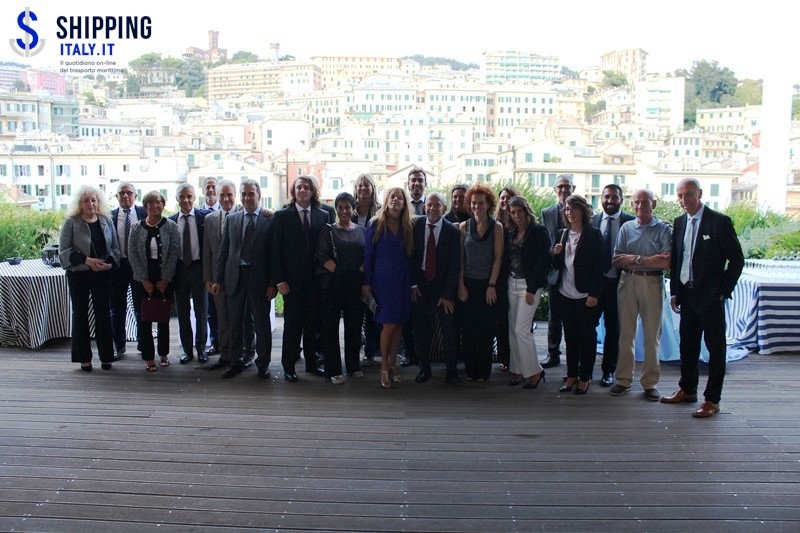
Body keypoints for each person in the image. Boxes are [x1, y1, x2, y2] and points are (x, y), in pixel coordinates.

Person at [662, 178, 744, 418]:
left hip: (710, 297)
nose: (683, 200)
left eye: (688, 194)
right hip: (686, 295)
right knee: (687, 346)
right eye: (679, 195)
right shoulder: (679, 222)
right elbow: (678, 260)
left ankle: (712, 400)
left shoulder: (719, 222)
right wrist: (675, 291)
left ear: (699, 193)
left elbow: (737, 260)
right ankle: (687, 389)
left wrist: (722, 290)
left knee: (715, 348)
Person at [609, 190, 672, 401]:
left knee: (651, 336)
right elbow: (617, 259)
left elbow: (666, 262)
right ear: (631, 204)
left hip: (652, 282)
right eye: (636, 202)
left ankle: (650, 383)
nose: (640, 206)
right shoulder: (626, 228)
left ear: (654, 204)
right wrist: (651, 259)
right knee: (625, 334)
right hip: (627, 281)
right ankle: (623, 380)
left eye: (645, 202)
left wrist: (634, 259)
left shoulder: (663, 229)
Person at [211, 179, 276, 379]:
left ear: (259, 195)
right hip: (234, 278)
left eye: (251, 194)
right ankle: (236, 362)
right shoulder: (232, 219)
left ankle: (263, 363)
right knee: (235, 323)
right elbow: (223, 252)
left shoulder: (270, 220)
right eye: (244, 194)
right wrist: (217, 279)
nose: (247, 197)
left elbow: (275, 255)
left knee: (262, 324)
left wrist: (273, 283)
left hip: (260, 280)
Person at [271, 175, 327, 382]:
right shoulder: (282, 216)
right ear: (293, 192)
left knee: (312, 325)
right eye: (299, 187)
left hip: (315, 281)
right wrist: (279, 280)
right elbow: (275, 250)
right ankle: (288, 367)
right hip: (291, 282)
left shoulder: (323, 215)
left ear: (313, 191)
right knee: (292, 326)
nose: (302, 190)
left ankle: (312, 364)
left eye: (306, 187)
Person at [59, 185, 121, 372]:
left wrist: (109, 264)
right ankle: (84, 358)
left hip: (102, 275)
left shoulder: (106, 221)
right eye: (86, 200)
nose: (90, 204)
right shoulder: (71, 223)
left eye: (93, 200)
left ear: (98, 202)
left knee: (103, 315)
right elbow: (64, 252)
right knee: (80, 315)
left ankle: (107, 356)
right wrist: (87, 261)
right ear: (80, 204)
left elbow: (115, 249)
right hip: (79, 275)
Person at [551, 194, 603, 395]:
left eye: (573, 208)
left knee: (587, 337)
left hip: (585, 295)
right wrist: (555, 254)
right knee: (570, 336)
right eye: (566, 209)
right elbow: (556, 266)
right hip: (565, 293)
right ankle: (571, 374)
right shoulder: (562, 234)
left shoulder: (594, 235)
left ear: (582, 210)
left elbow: (599, 266)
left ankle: (585, 376)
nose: (569, 212)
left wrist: (594, 293)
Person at [363, 187, 414, 389]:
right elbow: (368, 256)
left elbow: (410, 257)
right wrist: (366, 282)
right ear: (387, 200)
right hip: (382, 282)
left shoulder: (407, 226)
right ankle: (384, 366)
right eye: (393, 197)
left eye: (400, 198)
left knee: (399, 324)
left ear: (404, 203)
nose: (395, 200)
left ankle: (393, 365)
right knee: (389, 324)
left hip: (402, 281)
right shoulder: (376, 224)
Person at [410, 192, 461, 385]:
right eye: (429, 205)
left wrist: (447, 294)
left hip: (442, 286)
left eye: (437, 205)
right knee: (421, 327)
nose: (432, 208)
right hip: (420, 284)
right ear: (425, 207)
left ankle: (452, 371)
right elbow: (410, 256)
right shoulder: (415, 226)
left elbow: (455, 265)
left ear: (444, 208)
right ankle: (424, 368)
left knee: (448, 329)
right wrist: (413, 284)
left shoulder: (452, 231)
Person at [316, 192, 366, 384]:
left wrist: (359, 271)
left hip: (355, 285)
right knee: (330, 328)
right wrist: (340, 271)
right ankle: (333, 370)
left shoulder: (362, 231)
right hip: (333, 284)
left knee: (354, 326)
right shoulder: (328, 230)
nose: (344, 211)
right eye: (340, 207)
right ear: (336, 209)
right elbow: (321, 255)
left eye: (348, 207)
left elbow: (367, 255)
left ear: (353, 209)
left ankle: (353, 366)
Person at [128, 190, 180, 372]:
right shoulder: (136, 228)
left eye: (158, 202)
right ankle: (148, 357)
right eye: (151, 202)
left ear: (163, 205)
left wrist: (165, 279)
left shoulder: (171, 226)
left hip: (165, 280)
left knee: (163, 318)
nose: (155, 206)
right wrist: (143, 279)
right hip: (142, 281)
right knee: (144, 320)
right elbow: (132, 254)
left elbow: (174, 253)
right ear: (145, 206)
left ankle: (164, 354)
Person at [458, 184, 504, 383]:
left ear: (489, 204)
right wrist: (460, 284)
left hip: (488, 285)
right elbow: (460, 259)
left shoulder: (497, 227)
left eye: (481, 203)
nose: (477, 206)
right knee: (468, 329)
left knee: (485, 329)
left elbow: (498, 258)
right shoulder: (463, 227)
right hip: (467, 284)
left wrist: (491, 285)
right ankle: (471, 370)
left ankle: (483, 372)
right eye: (474, 203)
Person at [505, 196, 550, 389]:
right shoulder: (511, 232)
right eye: (513, 212)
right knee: (512, 329)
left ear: (526, 211)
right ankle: (517, 369)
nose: (517, 216)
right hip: (511, 283)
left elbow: (543, 261)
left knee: (521, 329)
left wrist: (532, 288)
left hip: (529, 285)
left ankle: (534, 371)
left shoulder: (539, 231)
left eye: (519, 211)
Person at [592, 184, 635, 386]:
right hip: (595, 285)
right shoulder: (592, 221)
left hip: (620, 284)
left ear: (621, 200)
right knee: (588, 326)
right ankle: (585, 368)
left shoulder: (631, 222)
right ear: (601, 198)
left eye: (614, 197)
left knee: (613, 329)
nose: (610, 201)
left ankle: (608, 370)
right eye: (606, 197)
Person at [169, 183, 210, 365]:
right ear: (177, 199)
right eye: (182, 197)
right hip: (179, 270)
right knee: (183, 312)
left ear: (194, 197)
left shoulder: (204, 218)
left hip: (199, 268)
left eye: (189, 196)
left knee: (202, 311)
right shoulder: (170, 221)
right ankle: (187, 350)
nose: (186, 200)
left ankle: (201, 349)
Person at [540, 174, 576, 368]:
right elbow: (542, 242)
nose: (563, 190)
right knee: (554, 316)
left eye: (567, 186)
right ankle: (553, 353)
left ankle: (575, 356)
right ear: (555, 190)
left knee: (574, 318)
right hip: (555, 271)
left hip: (576, 272)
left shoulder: (583, 211)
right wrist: (551, 252)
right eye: (560, 186)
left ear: (573, 188)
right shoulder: (546, 213)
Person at [109, 181, 146, 361]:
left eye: (129, 193)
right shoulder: (109, 216)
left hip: (138, 266)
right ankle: (119, 345)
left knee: (141, 307)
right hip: (118, 267)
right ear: (116, 197)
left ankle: (143, 342)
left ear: (135, 196)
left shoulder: (144, 213)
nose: (125, 196)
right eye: (121, 193)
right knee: (117, 308)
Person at [352, 172, 382, 367]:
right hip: (354, 271)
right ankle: (354, 353)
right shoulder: (349, 210)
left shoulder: (380, 212)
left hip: (375, 270)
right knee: (355, 313)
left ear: (373, 189)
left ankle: (371, 352)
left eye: (367, 185)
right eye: (360, 185)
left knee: (373, 313)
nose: (363, 188)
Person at [493, 185, 519, 372]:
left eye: (508, 198)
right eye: (502, 198)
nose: (504, 201)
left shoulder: (517, 225)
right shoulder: (495, 223)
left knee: (516, 320)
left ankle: (517, 358)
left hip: (515, 277)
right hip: (497, 277)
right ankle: (504, 357)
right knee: (501, 318)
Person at [201, 177, 220, 355]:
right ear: (202, 190)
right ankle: (216, 343)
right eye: (208, 187)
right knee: (211, 311)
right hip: (210, 269)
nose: (211, 190)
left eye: (214, 187)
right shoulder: (200, 214)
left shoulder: (233, 210)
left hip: (230, 270)